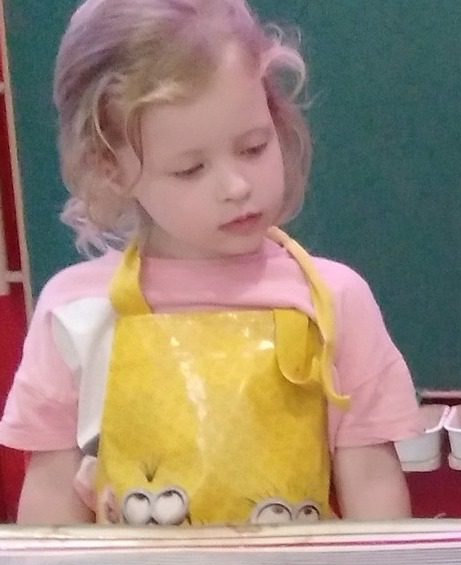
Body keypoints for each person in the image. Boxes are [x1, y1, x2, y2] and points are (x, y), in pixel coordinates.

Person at [0, 0, 423, 527]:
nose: (236, 187)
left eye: (252, 147)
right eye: (190, 169)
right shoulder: (74, 311)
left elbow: (371, 478)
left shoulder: (333, 300)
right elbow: (51, 493)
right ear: (111, 169)